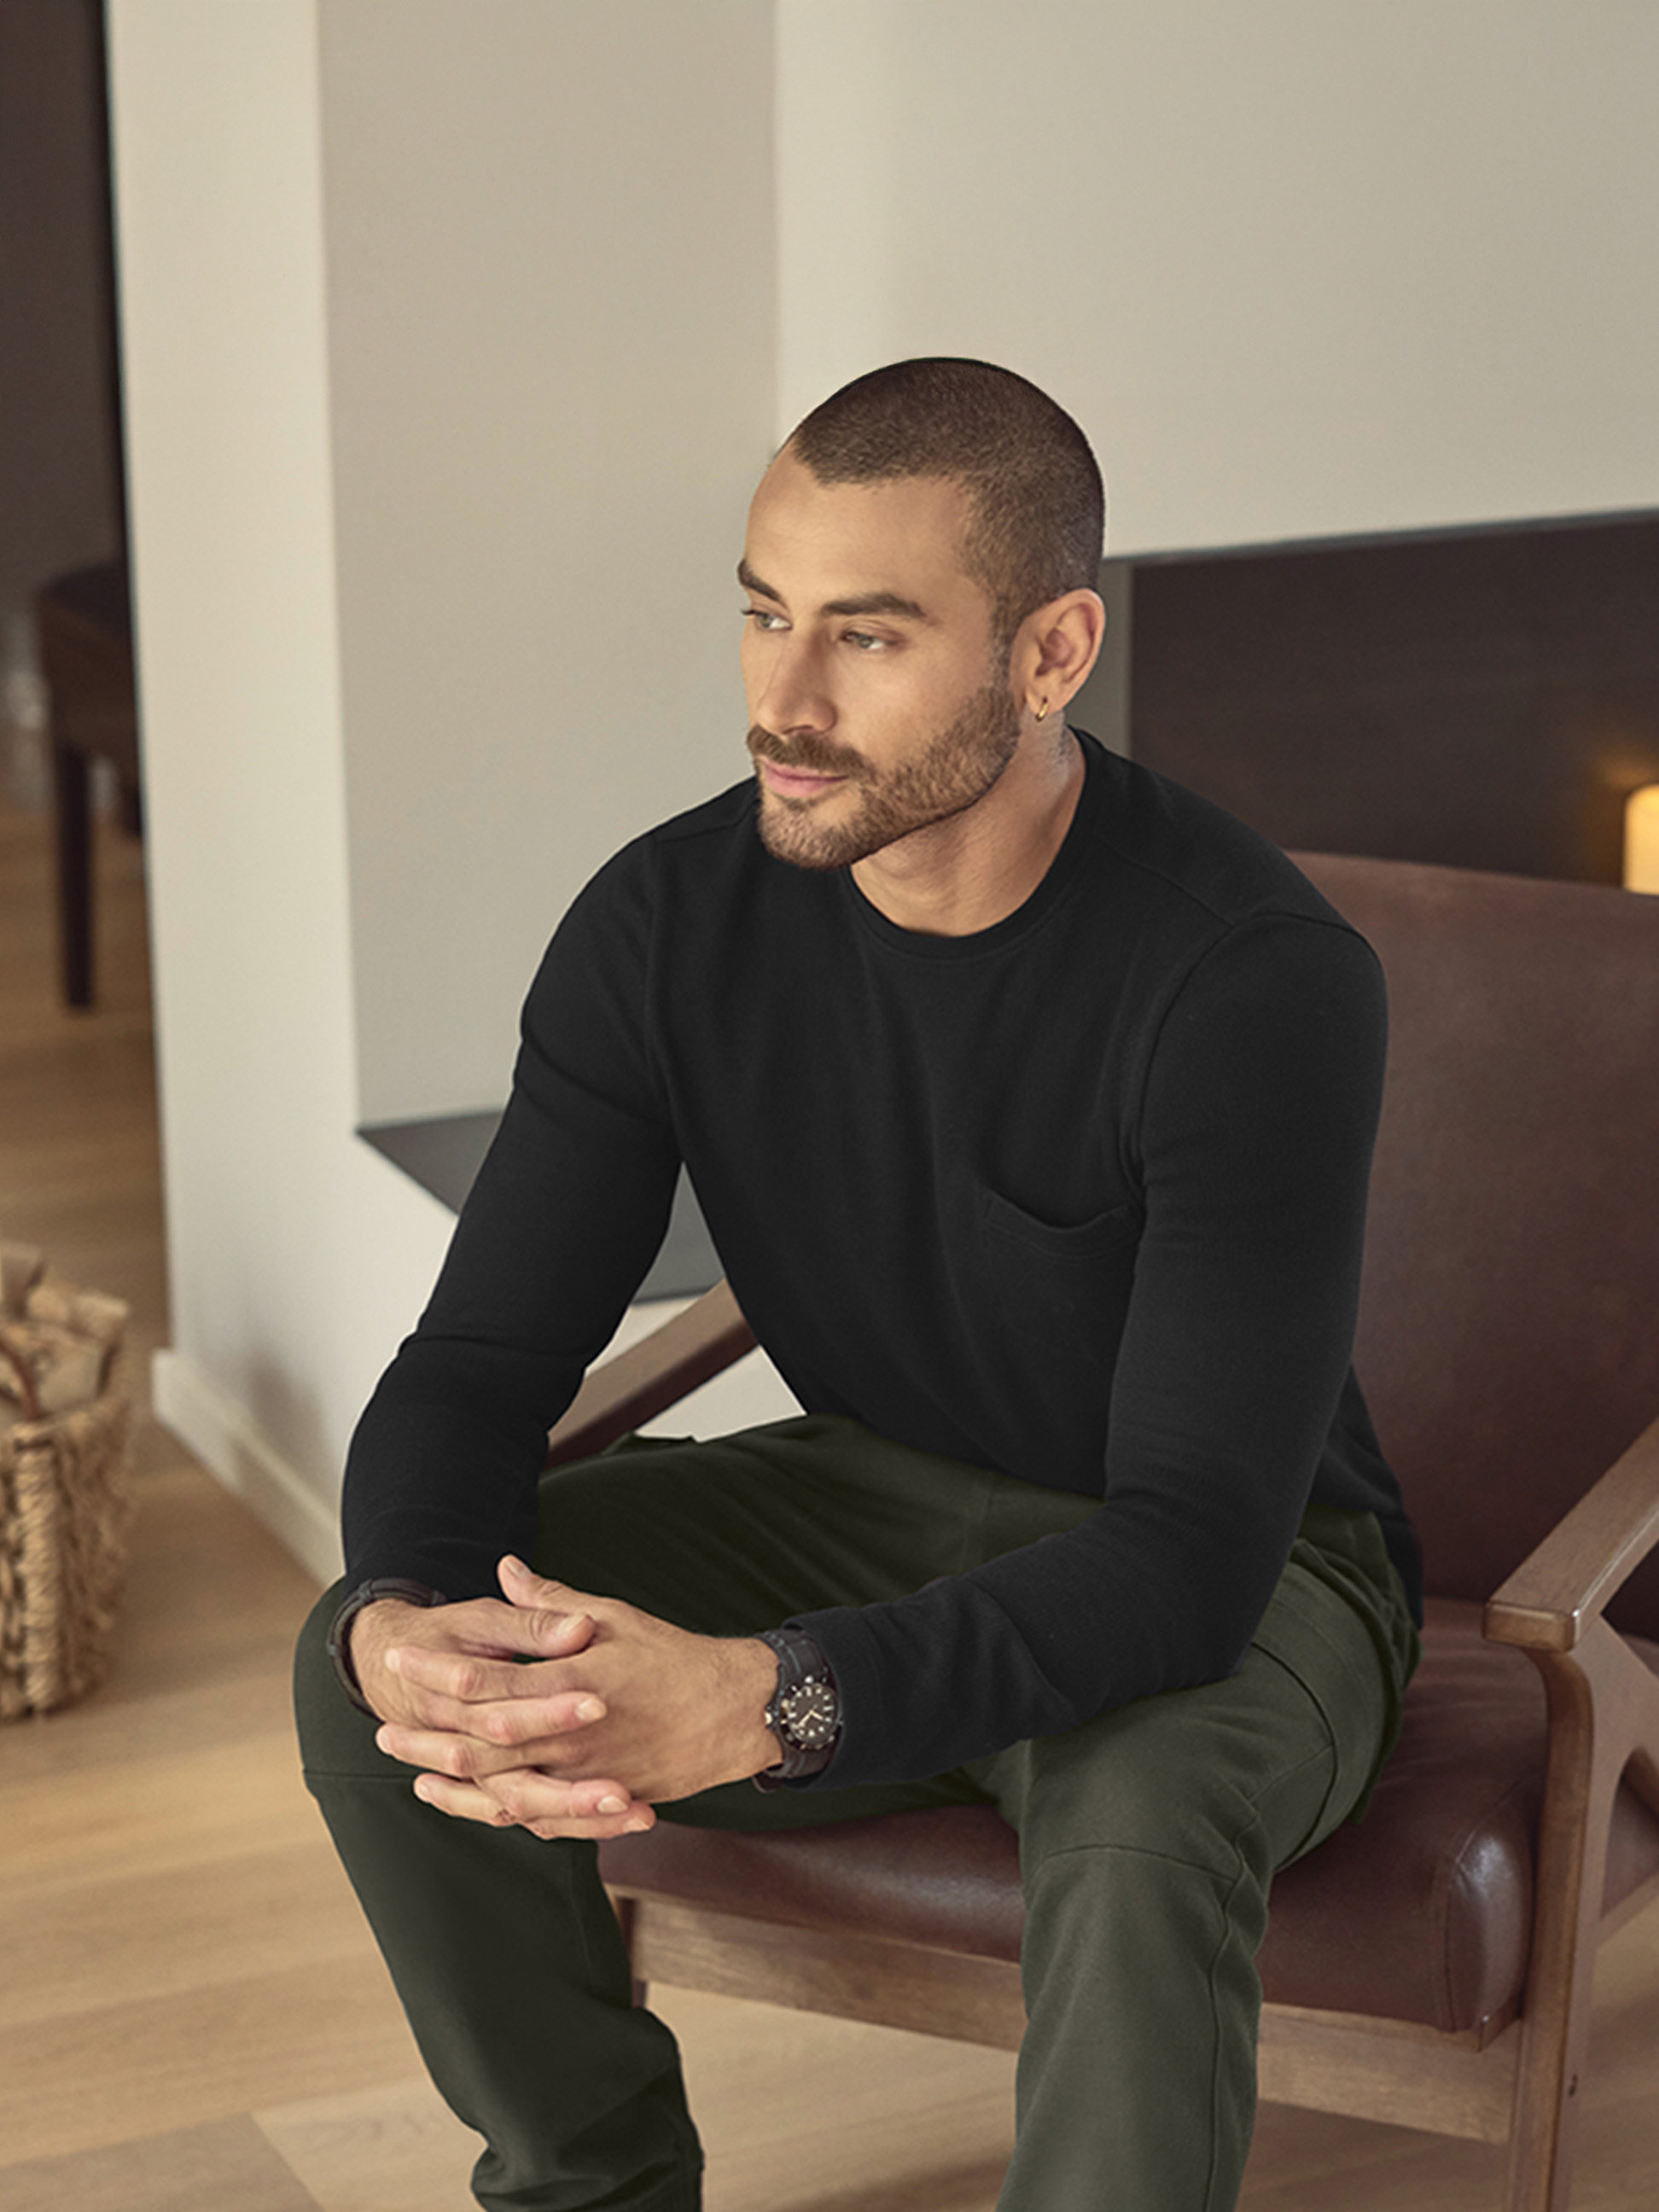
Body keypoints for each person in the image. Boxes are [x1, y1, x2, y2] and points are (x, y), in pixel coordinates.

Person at [294, 357, 1423, 2212]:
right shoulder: (665, 925)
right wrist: (403, 1617)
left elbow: (1191, 1557)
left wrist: (774, 1698)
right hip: (871, 1495)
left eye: (868, 637)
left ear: (1051, 654)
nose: (784, 702)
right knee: (380, 1661)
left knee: (1140, 1826)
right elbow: (484, 1354)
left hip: (1249, 1577)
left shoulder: (1250, 977)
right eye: (764, 614)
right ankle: (593, 2191)